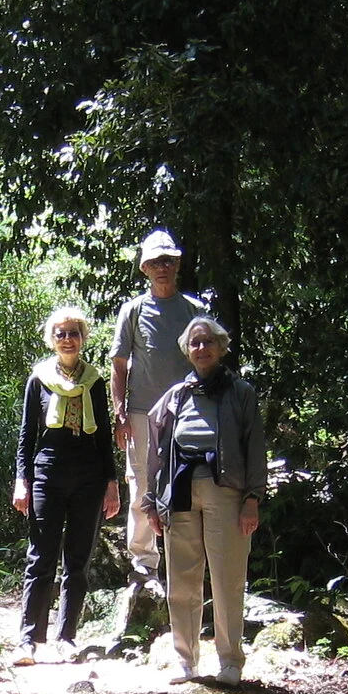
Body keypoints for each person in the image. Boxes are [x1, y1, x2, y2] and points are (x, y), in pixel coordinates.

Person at [143, 315, 266, 685]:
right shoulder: (177, 395)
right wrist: (152, 500)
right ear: (187, 350)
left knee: (228, 578)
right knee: (181, 579)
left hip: (226, 492)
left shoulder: (240, 391)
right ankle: (186, 661)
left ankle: (230, 662)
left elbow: (254, 447)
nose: (201, 348)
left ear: (220, 346)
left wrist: (252, 499)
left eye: (207, 341)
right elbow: (157, 449)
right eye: (194, 343)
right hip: (179, 491)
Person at [12, 306, 123, 659]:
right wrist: (22, 479)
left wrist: (111, 482)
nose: (67, 339)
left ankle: (67, 637)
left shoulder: (94, 381)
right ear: (52, 339)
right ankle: (29, 639)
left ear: (82, 338)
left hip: (88, 477)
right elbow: (27, 435)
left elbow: (103, 436)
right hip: (47, 474)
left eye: (73, 332)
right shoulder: (39, 378)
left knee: (78, 560)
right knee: (40, 557)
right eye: (60, 333)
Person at [111, 230, 213, 574]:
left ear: (177, 264)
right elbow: (119, 363)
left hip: (187, 411)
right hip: (141, 411)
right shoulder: (134, 310)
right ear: (145, 268)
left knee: (186, 481)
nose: (162, 267)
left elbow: (208, 360)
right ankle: (143, 563)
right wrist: (119, 412)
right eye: (155, 262)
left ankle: (182, 563)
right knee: (142, 483)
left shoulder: (193, 309)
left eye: (168, 260)